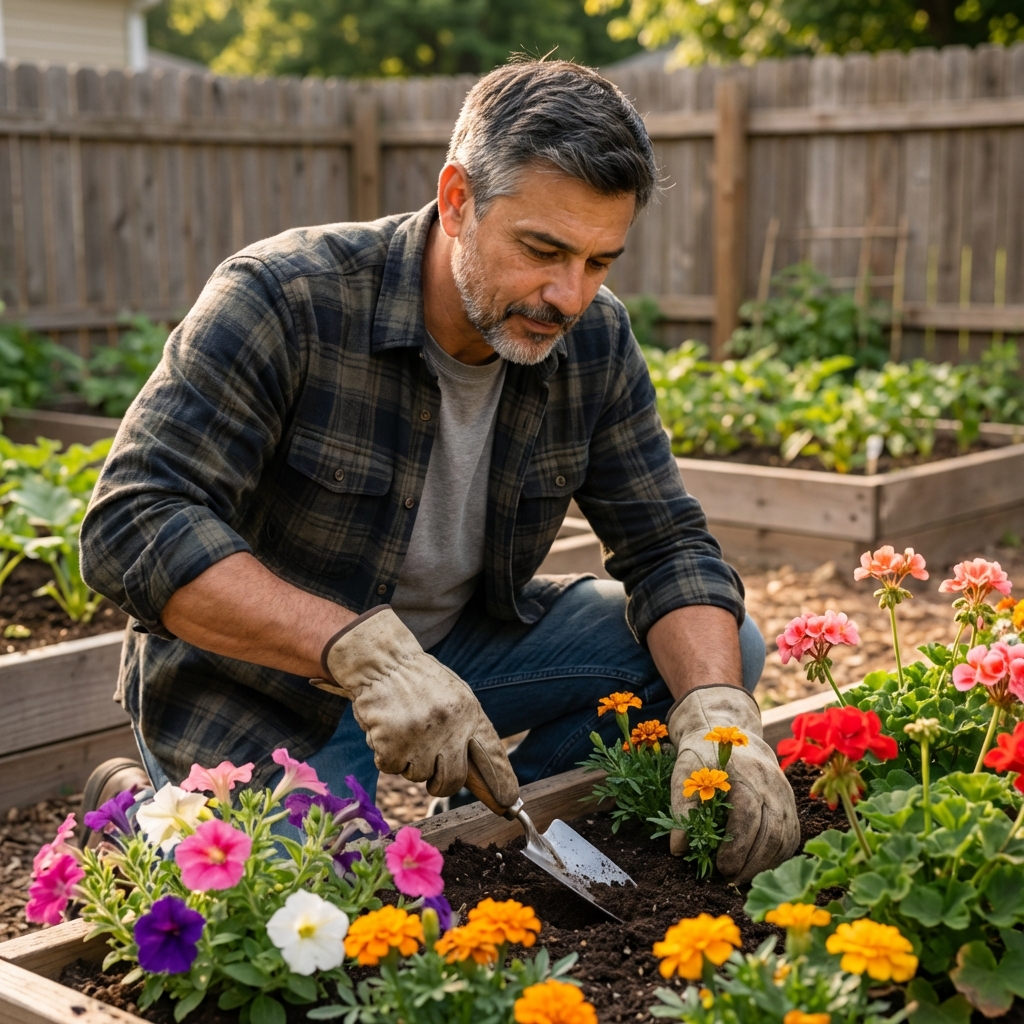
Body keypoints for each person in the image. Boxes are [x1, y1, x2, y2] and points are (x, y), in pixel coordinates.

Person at [79, 58, 798, 883]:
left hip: (455, 646)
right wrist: (362, 653)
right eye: (542, 249)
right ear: (458, 200)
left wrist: (719, 714)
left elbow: (668, 545)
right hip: (259, 680)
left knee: (720, 647)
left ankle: (485, 834)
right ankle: (136, 814)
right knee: (335, 908)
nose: (568, 295)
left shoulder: (594, 339)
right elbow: (130, 523)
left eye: (599, 261)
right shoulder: (287, 298)